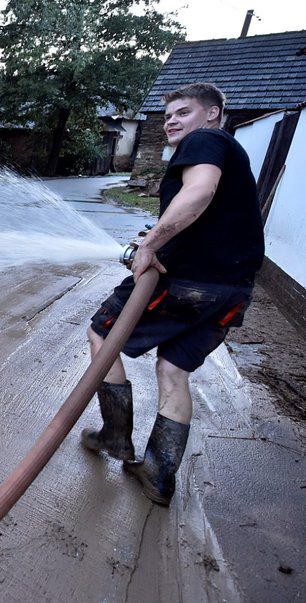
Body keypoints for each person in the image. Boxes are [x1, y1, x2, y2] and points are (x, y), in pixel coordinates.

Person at [81, 82, 265, 505]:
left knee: (101, 335)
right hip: (230, 292)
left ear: (213, 113)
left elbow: (199, 193)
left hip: (185, 284)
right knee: (173, 370)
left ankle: (115, 438)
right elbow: (208, 217)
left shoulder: (206, 140)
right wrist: (159, 234)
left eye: (183, 112)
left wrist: (149, 246)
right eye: (167, 117)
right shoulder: (227, 152)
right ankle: (158, 474)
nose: (172, 122)